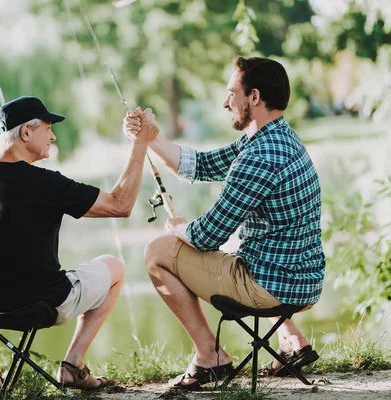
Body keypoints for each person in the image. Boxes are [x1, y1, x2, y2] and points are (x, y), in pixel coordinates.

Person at [124, 56, 325, 390]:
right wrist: (150, 139)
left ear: (254, 97)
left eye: (232, 93)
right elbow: (201, 165)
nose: (225, 102)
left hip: (271, 287)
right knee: (244, 247)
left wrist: (176, 228)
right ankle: (293, 340)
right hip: (303, 280)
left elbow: (205, 236)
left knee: (157, 252)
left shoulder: (260, 156)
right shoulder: (275, 138)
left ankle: (210, 355)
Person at [0, 96, 159, 390]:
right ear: (26, 132)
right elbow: (120, 205)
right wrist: (141, 144)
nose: (53, 135)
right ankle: (73, 364)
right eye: (48, 127)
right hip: (43, 305)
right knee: (115, 267)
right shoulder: (46, 183)